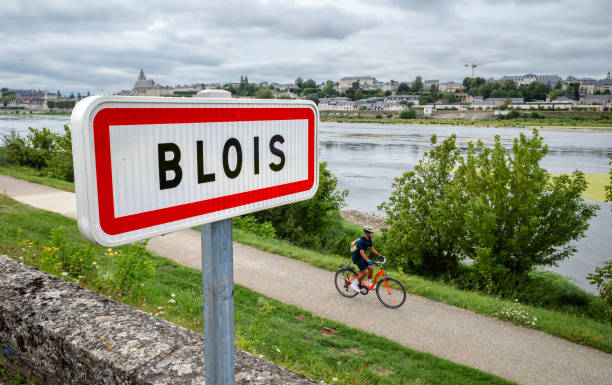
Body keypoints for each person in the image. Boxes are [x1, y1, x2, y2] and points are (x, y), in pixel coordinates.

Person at [350, 225, 382, 292]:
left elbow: (371, 248)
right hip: (357, 258)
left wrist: (379, 255)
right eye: (371, 233)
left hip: (362, 258)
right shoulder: (361, 241)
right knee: (365, 272)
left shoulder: (369, 240)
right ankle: (354, 284)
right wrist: (368, 260)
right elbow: (362, 253)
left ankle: (368, 284)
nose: (373, 234)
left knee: (371, 268)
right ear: (367, 233)